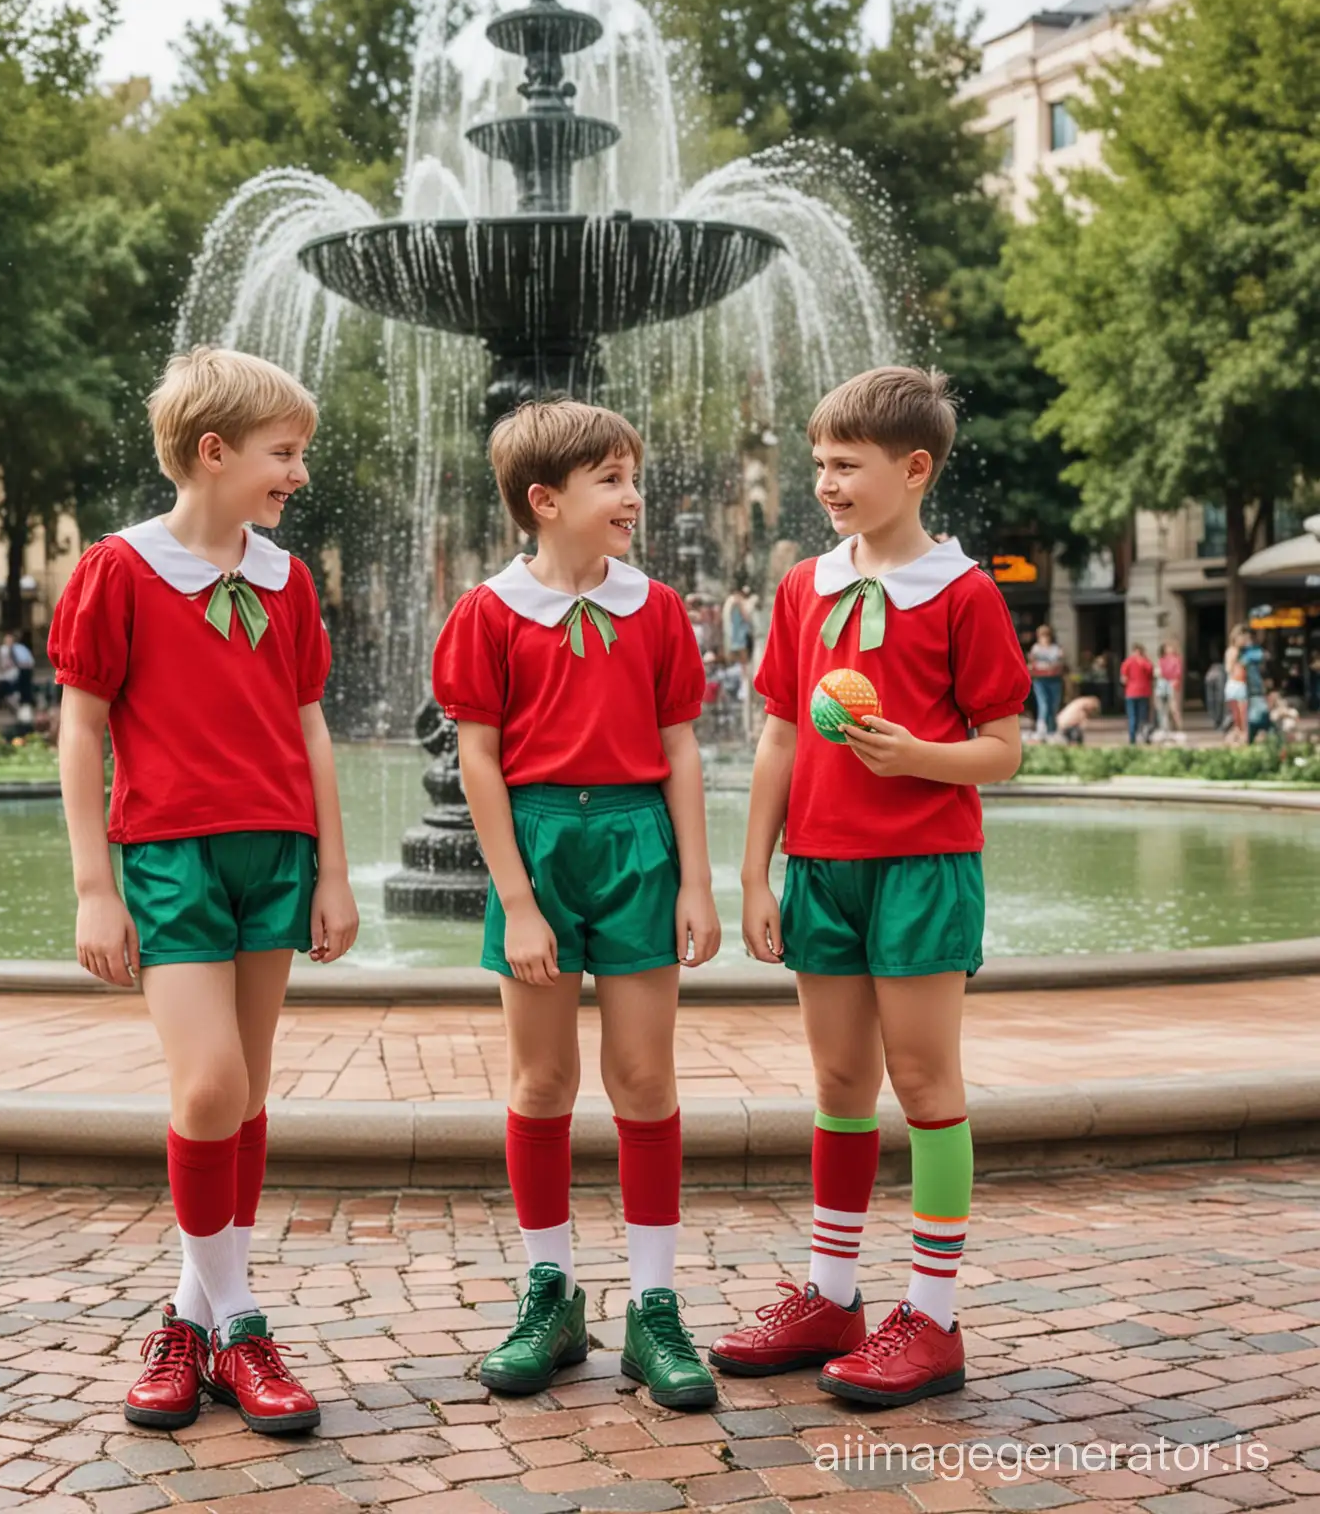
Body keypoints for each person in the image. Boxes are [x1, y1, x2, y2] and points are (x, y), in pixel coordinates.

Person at [49, 346, 359, 1437]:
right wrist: (97, 886)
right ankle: (240, 1320)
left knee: (248, 1094)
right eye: (285, 455)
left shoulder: (287, 578)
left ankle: (187, 1322)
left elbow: (310, 725)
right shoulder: (117, 570)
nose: (299, 476)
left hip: (274, 852)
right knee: (209, 1085)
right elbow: (81, 728)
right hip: (169, 857)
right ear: (213, 453)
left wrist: (332, 868)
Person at [710, 365, 1028, 1407]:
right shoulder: (805, 588)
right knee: (841, 1086)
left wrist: (918, 758)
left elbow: (1004, 751)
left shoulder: (966, 592)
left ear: (915, 468)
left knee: (927, 1084)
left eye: (847, 466)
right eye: (820, 465)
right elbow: (780, 735)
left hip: (927, 872)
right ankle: (833, 1296)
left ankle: (932, 1320)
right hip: (823, 871)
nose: (828, 484)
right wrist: (754, 871)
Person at [432, 398, 722, 1411]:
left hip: (639, 840)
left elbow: (680, 745)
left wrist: (696, 877)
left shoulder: (660, 608)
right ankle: (549, 1294)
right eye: (610, 479)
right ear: (544, 501)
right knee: (543, 1075)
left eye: (631, 474)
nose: (632, 495)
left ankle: (653, 1308)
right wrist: (517, 899)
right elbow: (477, 760)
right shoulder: (486, 613)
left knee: (644, 1074)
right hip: (540, 844)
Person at [1026, 623, 1065, 738]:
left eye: (1046, 635)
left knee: (1054, 704)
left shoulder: (1055, 648)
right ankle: (1041, 728)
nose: (1044, 638)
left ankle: (1052, 729)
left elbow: (1060, 662)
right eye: (1041, 635)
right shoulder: (1036, 648)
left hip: (1054, 679)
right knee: (1043, 704)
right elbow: (1032, 664)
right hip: (1040, 679)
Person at [1120, 643, 1154, 744]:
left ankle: (1132, 739)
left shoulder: (1127, 662)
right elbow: (1151, 675)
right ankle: (1144, 736)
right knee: (1142, 716)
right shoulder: (1146, 662)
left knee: (1132, 716)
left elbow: (1123, 680)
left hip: (1131, 692)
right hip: (1144, 692)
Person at [1224, 628, 1250, 742]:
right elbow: (1228, 668)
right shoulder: (1233, 651)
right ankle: (1240, 733)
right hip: (1235, 683)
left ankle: (1241, 733)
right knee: (1239, 713)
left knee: (1241, 712)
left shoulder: (1242, 651)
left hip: (1239, 683)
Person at [722, 582, 756, 664]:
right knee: (740, 654)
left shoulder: (731, 601)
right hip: (737, 632)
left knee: (737, 654)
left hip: (735, 632)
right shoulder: (735, 601)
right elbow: (745, 617)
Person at [1154, 641, 1183, 736]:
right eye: (1168, 647)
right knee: (1162, 707)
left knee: (1173, 707)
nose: (1170, 649)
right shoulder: (1161, 660)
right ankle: (1165, 726)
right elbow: (1159, 672)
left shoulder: (1176, 659)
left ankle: (1178, 725)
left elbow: (1177, 672)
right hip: (1164, 684)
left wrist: (1174, 679)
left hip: (1171, 683)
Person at [1204, 654, 1227, 732]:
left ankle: (1217, 720)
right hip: (1219, 670)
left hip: (1213, 670)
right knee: (1218, 698)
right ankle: (1217, 720)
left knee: (1213, 699)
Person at [12, 634, 36, 708]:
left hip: (23, 668)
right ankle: (26, 700)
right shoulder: (23, 647)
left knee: (24, 686)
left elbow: (19, 659)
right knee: (26, 685)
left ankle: (25, 700)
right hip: (27, 667)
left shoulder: (16, 648)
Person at [0, 633, 20, 703]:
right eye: (7, 640)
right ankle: (5, 699)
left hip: (13, 669)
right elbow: (0, 660)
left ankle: (13, 699)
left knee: (13, 685)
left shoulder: (15, 648)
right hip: (4, 670)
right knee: (5, 686)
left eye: (10, 640)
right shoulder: (2, 649)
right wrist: (1, 668)